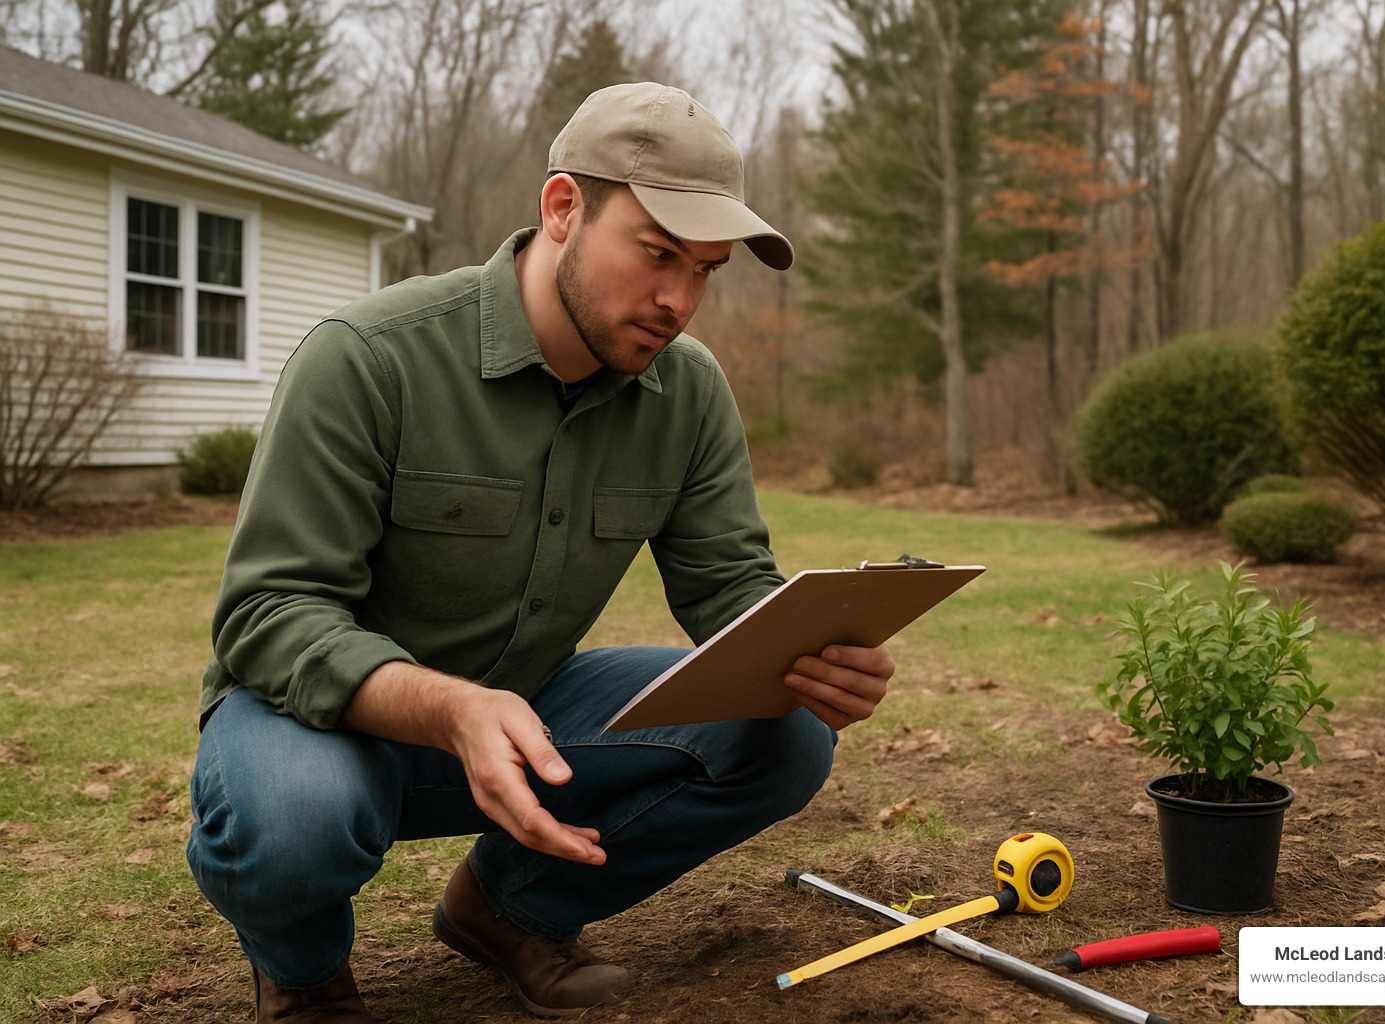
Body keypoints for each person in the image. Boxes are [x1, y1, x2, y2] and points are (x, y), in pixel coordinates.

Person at [185, 82, 897, 1023]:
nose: (679, 300)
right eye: (658, 254)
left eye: (706, 271)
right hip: (317, 725)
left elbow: (729, 585)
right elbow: (267, 615)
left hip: (529, 715)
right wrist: (452, 708)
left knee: (787, 734)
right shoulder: (367, 357)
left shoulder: (687, 392)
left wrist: (807, 654)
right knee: (292, 819)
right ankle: (304, 973)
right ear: (563, 209)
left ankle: (509, 910)